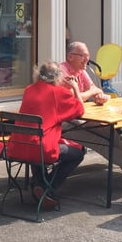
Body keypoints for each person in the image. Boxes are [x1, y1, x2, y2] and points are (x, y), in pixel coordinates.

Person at [61, 41, 122, 179]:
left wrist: (99, 95)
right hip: (63, 122)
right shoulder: (61, 71)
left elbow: (96, 89)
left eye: (88, 55)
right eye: (83, 56)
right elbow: (74, 98)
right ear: (70, 57)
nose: (87, 59)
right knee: (101, 142)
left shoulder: (81, 71)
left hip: (81, 117)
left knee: (108, 131)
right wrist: (90, 93)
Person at [18, 61, 87, 209]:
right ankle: (48, 187)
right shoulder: (58, 93)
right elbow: (80, 110)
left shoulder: (29, 89)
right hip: (42, 149)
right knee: (78, 153)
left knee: (36, 144)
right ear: (58, 77)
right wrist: (74, 88)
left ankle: (39, 184)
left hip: (19, 145)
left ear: (38, 74)